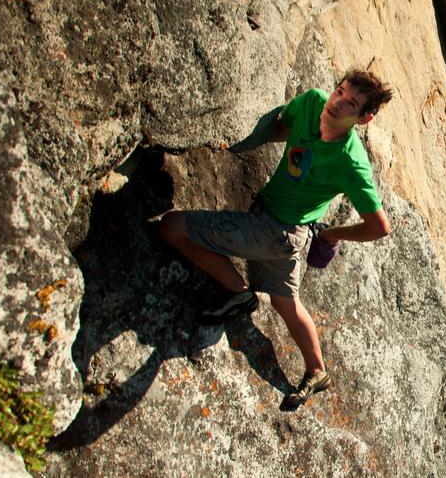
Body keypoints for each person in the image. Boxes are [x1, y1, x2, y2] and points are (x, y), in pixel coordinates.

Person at [159, 70, 393, 408]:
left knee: (171, 227)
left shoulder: (351, 164)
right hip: (283, 231)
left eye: (351, 104)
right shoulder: (312, 103)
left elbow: (379, 226)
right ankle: (317, 370)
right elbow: (282, 125)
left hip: (275, 232)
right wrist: (234, 141)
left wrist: (330, 234)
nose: (337, 103)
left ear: (364, 118)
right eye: (339, 92)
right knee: (285, 303)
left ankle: (237, 293)